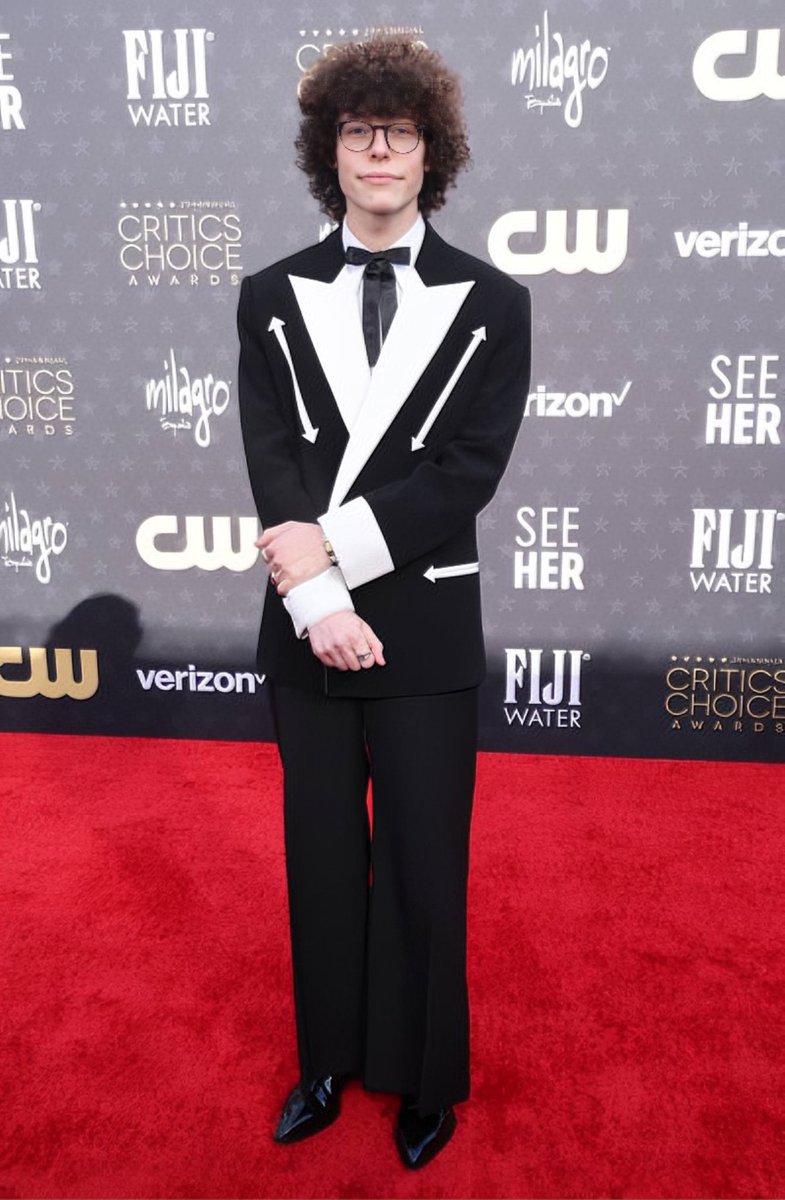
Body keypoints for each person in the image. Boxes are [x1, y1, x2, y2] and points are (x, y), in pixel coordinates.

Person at [236, 34, 531, 1170]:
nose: (376, 150)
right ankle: (324, 1061)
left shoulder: (492, 301)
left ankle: (420, 1077)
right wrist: (314, 599)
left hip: (419, 620)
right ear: (328, 152)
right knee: (317, 852)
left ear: (431, 153)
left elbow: (464, 469)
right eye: (356, 131)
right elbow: (272, 455)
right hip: (307, 624)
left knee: (421, 855)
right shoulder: (267, 295)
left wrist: (338, 562)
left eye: (396, 132)